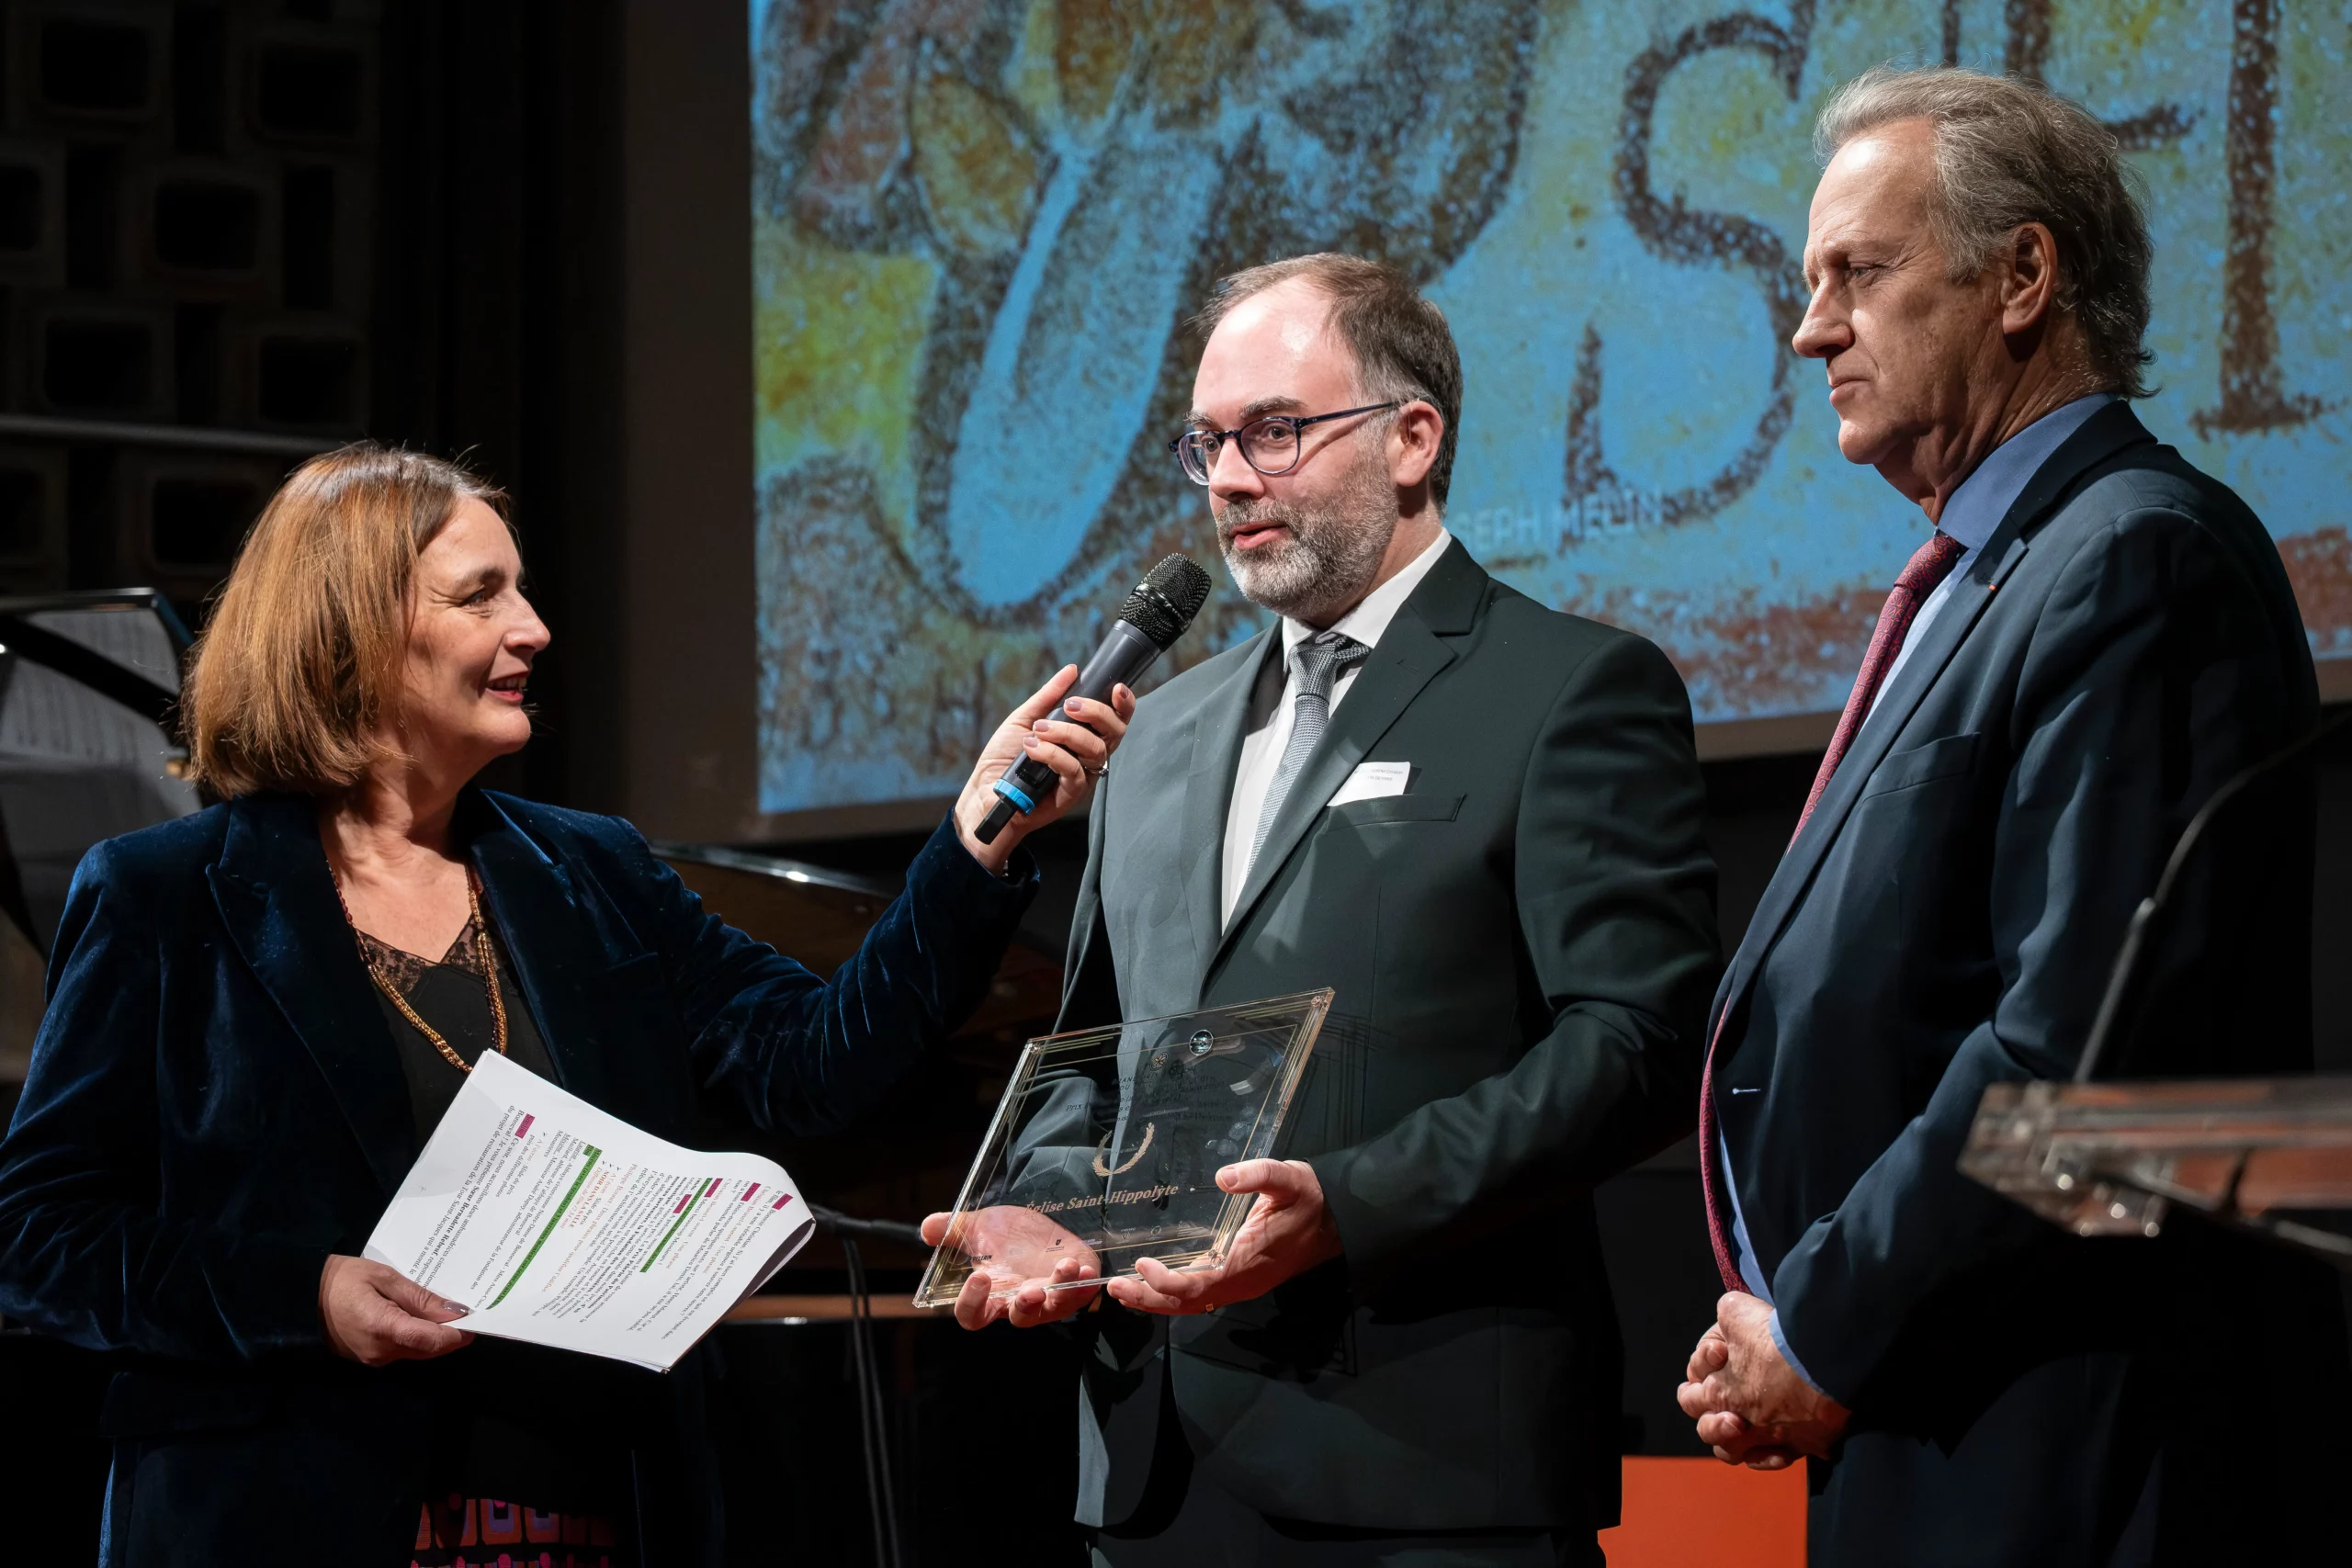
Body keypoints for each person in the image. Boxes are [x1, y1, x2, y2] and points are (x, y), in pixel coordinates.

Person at [0, 445, 1131, 1566]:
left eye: (523, 589)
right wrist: (308, 1295)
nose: (533, 627)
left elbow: (816, 1061)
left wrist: (977, 840)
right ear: (346, 631)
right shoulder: (162, 896)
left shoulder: (590, 872)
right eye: (479, 594)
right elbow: (40, 1238)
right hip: (283, 1511)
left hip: (587, 1507)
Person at [927, 254, 1721, 1566]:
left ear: (1414, 438)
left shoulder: (1571, 688)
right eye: (1209, 443)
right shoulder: (1160, 728)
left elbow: (1633, 1043)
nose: (1232, 478)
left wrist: (1348, 1200)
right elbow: (1090, 1048)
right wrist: (1054, 1200)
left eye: (1276, 432)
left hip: (1427, 1460)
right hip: (1158, 1474)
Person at [1675, 67, 2347, 1564]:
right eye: (1807, 283)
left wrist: (1828, 1325)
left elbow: (2075, 1063)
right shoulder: (1995, 571)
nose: (1810, 328)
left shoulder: (2138, 560)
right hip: (1936, 1419)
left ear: (2024, 274)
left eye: (1860, 272)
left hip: (2064, 1447)